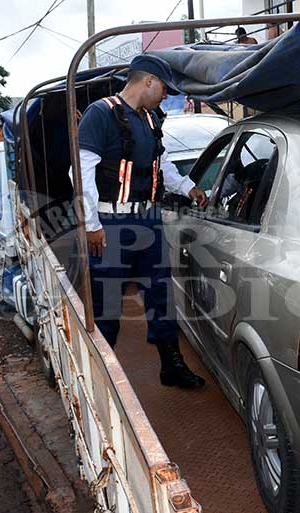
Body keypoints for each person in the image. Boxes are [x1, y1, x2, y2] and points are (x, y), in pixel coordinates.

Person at [74, 54, 208, 389]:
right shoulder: (100, 114)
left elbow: (159, 168)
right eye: (164, 87)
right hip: (111, 225)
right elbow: (80, 172)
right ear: (147, 80)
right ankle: (101, 379)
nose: (167, 95)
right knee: (107, 303)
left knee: (161, 296)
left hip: (148, 220)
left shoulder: (150, 119)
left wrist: (189, 188)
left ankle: (170, 366)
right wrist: (92, 224)